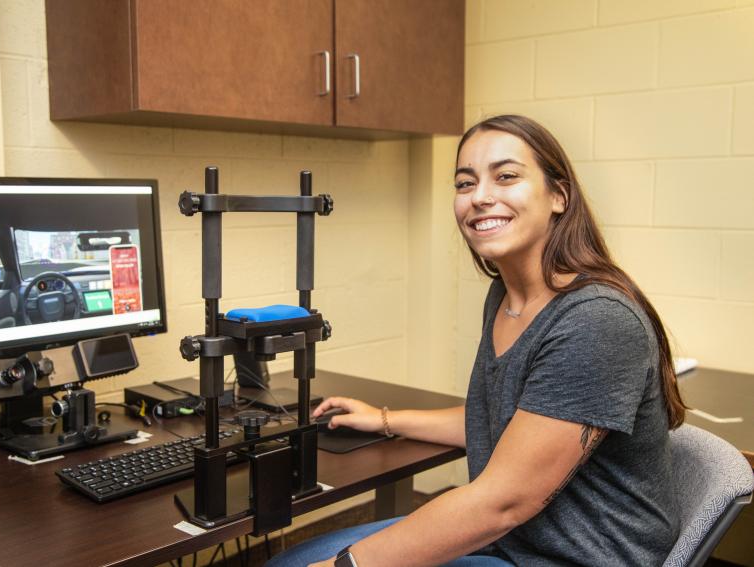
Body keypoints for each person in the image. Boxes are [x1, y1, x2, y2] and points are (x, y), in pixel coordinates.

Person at [266, 115, 686, 567]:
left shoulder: (596, 320)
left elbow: (501, 502)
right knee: (292, 560)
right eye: (465, 184)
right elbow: (504, 419)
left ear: (558, 196)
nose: (481, 197)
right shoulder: (506, 296)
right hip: (515, 540)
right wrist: (385, 418)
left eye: (506, 177)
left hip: (574, 557)